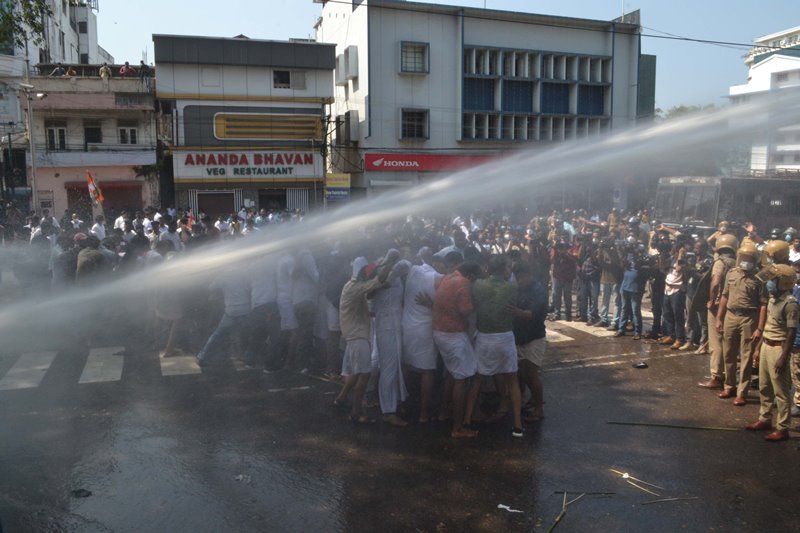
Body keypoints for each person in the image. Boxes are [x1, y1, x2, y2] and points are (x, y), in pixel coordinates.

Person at [334, 255, 398, 424]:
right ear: (358, 271)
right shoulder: (354, 287)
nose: (366, 272)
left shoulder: (353, 285)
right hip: (357, 336)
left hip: (354, 335)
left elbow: (371, 290)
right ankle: (356, 412)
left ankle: (341, 399)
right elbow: (378, 280)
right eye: (363, 270)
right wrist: (390, 262)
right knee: (365, 375)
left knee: (357, 372)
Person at [469, 255, 524, 437]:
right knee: (512, 380)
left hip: (485, 336)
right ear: (504, 270)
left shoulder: (478, 285)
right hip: (505, 336)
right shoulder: (511, 288)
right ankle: (517, 425)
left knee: (477, 379)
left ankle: (467, 420)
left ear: (488, 268)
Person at [744, 264, 798, 441]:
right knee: (764, 386)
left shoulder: (790, 304)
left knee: (781, 391)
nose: (770, 283)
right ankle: (765, 418)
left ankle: (783, 427)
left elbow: (791, 333)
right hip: (767, 344)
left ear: (782, 282)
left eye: (773, 280)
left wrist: (783, 357)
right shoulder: (773, 299)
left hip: (778, 347)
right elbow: (767, 325)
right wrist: (758, 347)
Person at [432, 258, 482, 438]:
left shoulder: (446, 278)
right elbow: (466, 311)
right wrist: (478, 303)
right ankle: (458, 428)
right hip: (454, 334)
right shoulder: (464, 282)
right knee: (461, 378)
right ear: (471, 275)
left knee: (452, 374)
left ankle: (444, 412)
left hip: (439, 331)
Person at [715, 242, 768, 405]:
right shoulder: (731, 274)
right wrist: (719, 317)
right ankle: (729, 386)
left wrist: (759, 328)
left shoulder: (759, 280)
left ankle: (742, 392)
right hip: (731, 316)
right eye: (743, 258)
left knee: (746, 357)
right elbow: (724, 296)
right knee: (728, 353)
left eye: (749, 258)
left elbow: (763, 305)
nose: (745, 261)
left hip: (748, 319)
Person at [401, 247, 442, 423]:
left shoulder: (412, 271)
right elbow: (442, 307)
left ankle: (403, 404)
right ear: (435, 262)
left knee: (407, 366)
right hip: (426, 328)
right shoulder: (437, 278)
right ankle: (424, 413)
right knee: (428, 370)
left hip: (407, 326)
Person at [697, 234, 738, 389]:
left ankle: (716, 376)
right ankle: (726, 375)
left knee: (716, 342)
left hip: (718, 306)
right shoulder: (737, 263)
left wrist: (712, 300)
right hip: (732, 305)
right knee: (729, 342)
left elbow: (715, 283)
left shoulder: (720, 263)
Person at [509, 261, 547, 422]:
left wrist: (516, 312)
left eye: (522, 277)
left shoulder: (538, 289)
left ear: (529, 275)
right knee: (520, 374)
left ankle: (539, 409)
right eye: (517, 278)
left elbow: (532, 314)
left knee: (532, 374)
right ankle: (524, 401)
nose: (520, 281)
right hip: (519, 336)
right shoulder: (518, 288)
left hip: (534, 336)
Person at [196, 266, 251, 367]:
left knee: (217, 335)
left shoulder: (223, 275)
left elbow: (211, 287)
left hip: (231, 311)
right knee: (247, 334)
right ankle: (244, 356)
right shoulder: (245, 272)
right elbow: (250, 287)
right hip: (245, 309)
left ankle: (203, 356)